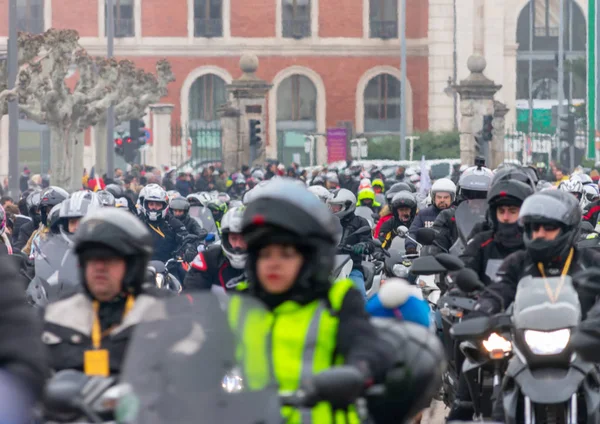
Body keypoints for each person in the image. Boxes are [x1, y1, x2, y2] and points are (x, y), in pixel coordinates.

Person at [230, 180, 394, 422]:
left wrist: (357, 370)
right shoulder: (240, 302)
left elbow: (366, 345)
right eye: (265, 254)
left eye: (286, 254)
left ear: (307, 257)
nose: (273, 263)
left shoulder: (337, 301)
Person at [42, 208, 170, 375]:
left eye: (110, 258)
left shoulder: (167, 311)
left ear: (132, 264)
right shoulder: (55, 315)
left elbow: (193, 376)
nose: (99, 267)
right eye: (92, 258)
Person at [460, 179, 533, 286]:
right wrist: (458, 288)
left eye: (513, 211)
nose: (506, 217)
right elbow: (463, 268)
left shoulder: (534, 243)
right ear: (494, 214)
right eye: (501, 211)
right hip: (487, 299)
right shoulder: (482, 242)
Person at [184, 206, 247, 291]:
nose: (238, 245)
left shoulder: (264, 260)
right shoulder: (208, 259)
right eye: (233, 238)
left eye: (244, 239)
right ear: (225, 238)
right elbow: (191, 293)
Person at [327, 189, 373, 299]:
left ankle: (362, 314)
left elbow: (370, 244)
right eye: (332, 206)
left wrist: (362, 245)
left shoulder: (360, 222)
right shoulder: (328, 222)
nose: (333, 209)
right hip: (328, 266)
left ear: (348, 205)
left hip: (352, 267)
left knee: (359, 294)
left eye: (337, 206)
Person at [138, 184, 195, 264]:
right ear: (145, 205)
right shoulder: (138, 222)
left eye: (158, 204)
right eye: (151, 204)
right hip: (142, 265)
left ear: (164, 206)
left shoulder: (171, 221)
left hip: (168, 266)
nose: (154, 208)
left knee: (185, 274)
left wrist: (189, 248)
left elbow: (185, 236)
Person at [405, 178, 456, 252]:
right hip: (429, 255)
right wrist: (411, 247)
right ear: (433, 198)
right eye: (439, 197)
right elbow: (413, 232)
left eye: (446, 197)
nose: (442, 200)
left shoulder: (457, 214)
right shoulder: (423, 214)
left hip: (453, 255)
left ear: (452, 198)